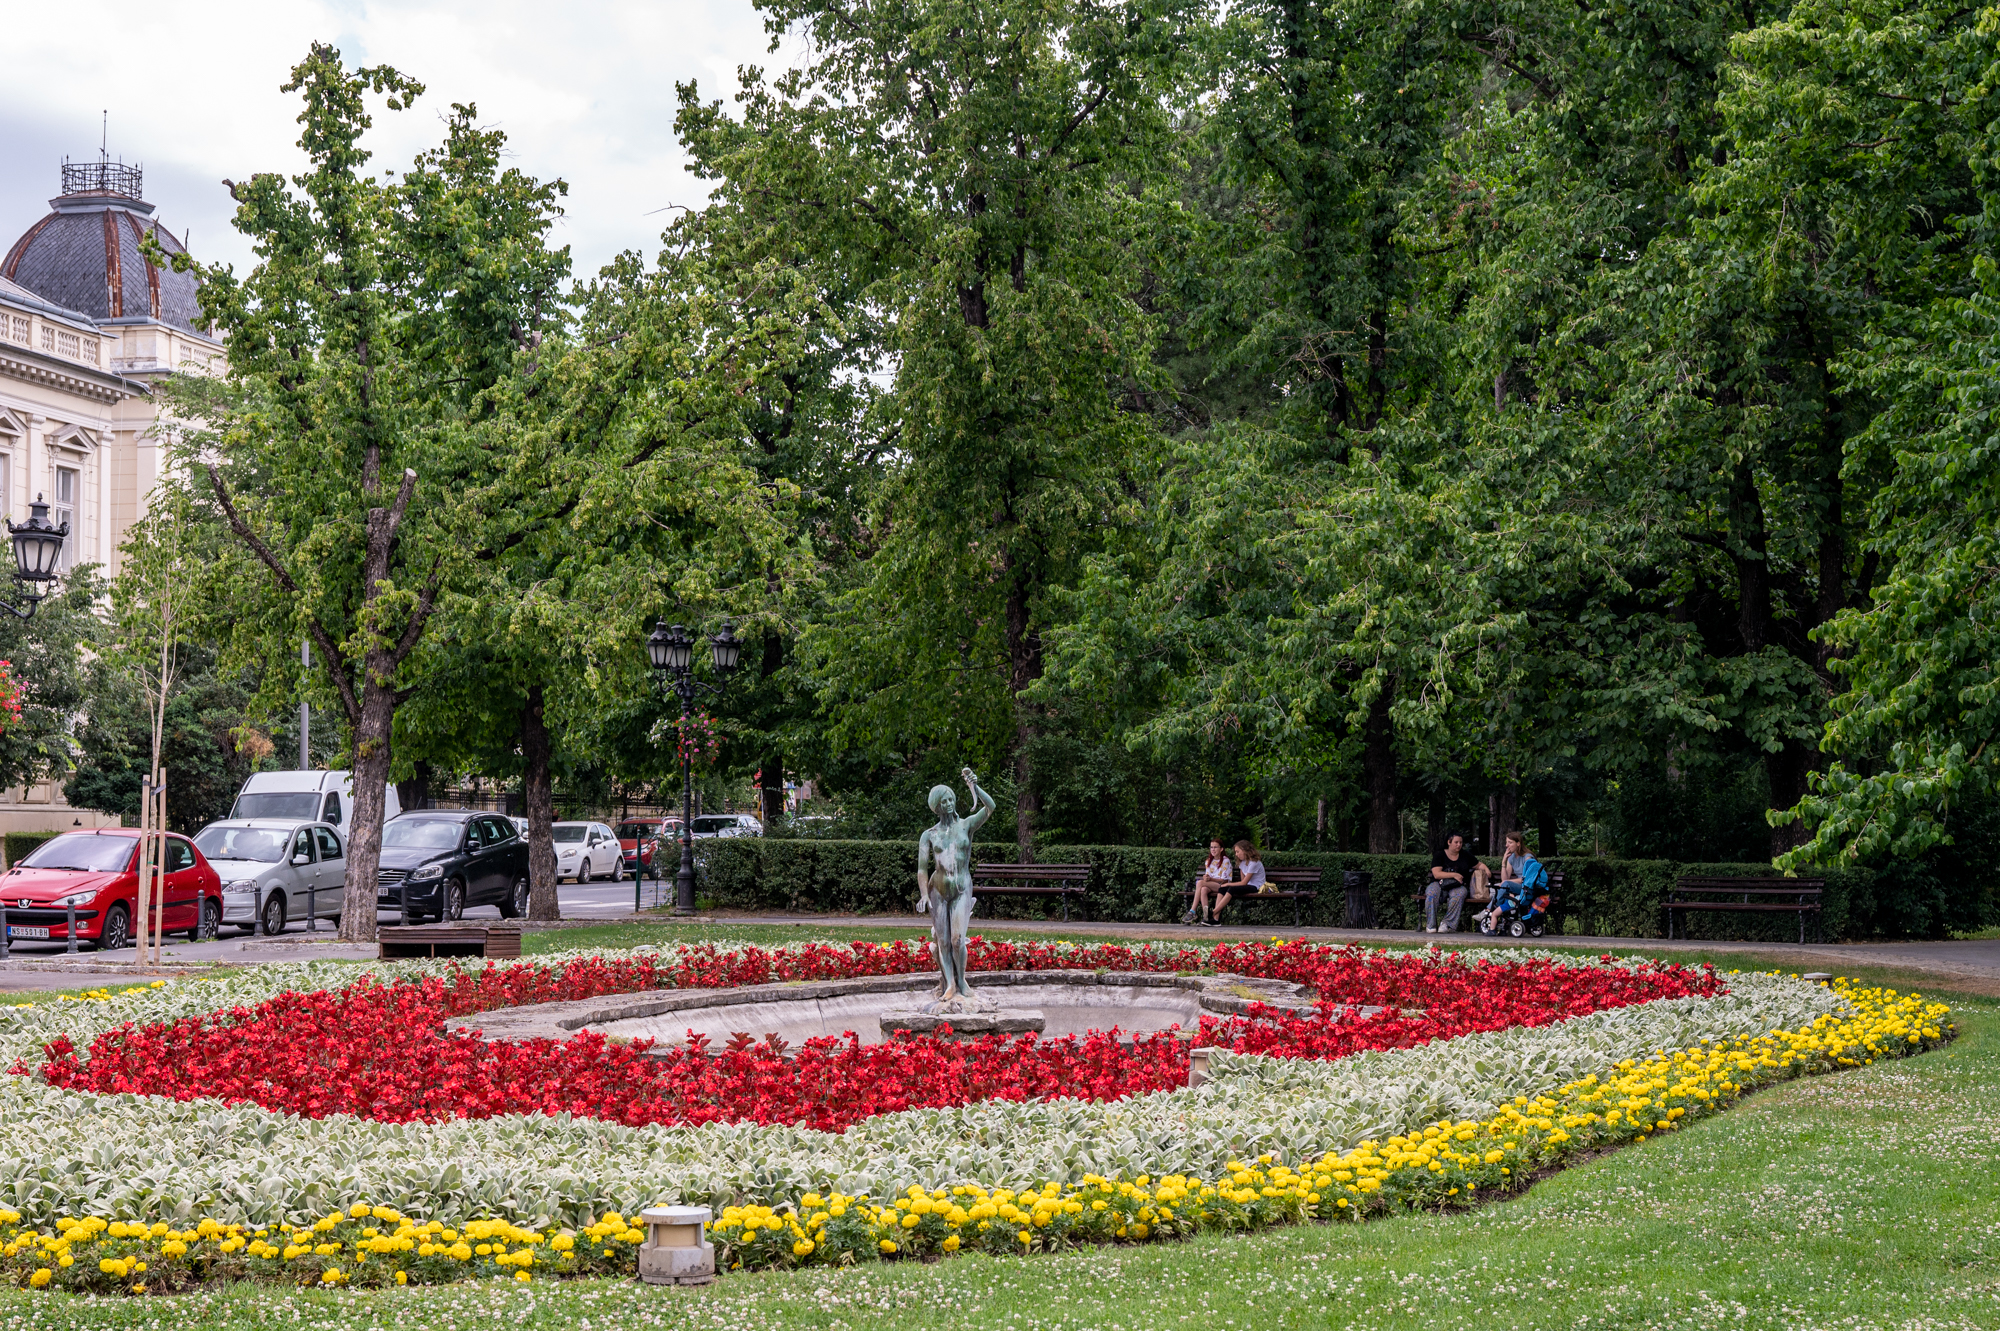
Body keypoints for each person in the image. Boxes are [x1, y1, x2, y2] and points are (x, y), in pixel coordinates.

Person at [1426, 832, 1476, 933]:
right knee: (1431, 893)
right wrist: (1454, 875)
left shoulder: (1465, 855)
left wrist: (1486, 870)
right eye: (1456, 842)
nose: (1459, 845)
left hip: (1457, 885)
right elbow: (1436, 874)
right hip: (1439, 882)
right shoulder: (1439, 855)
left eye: (1461, 842)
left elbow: (1478, 864)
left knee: (1459, 894)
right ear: (1449, 842)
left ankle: (1447, 924)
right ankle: (1431, 925)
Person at [1212, 840, 1267, 925]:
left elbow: (1244, 883)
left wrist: (1228, 884)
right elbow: (1242, 881)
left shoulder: (1254, 863)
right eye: (1235, 852)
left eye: (1238, 851)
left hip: (1256, 887)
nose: (1236, 854)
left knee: (1231, 889)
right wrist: (1226, 885)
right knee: (1222, 889)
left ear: (1245, 850)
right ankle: (1215, 919)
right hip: (1248, 886)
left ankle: (1213, 912)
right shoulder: (1242, 863)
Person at [1184, 839, 1234, 925]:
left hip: (1222, 886)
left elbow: (1224, 880)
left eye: (1215, 847)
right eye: (1211, 847)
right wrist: (1206, 878)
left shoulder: (1226, 861)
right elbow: (1208, 876)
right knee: (1203, 889)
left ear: (1221, 849)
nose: (1213, 849)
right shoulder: (1208, 861)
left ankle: (1193, 911)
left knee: (1200, 883)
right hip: (1211, 885)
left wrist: (1210, 879)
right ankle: (1206, 917)